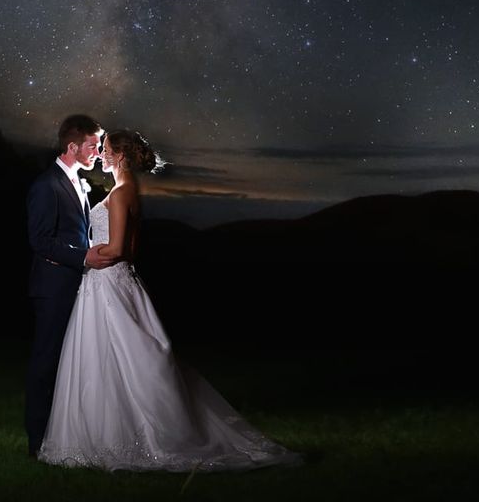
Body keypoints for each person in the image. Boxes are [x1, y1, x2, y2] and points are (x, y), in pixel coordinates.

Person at [38, 129, 303, 473]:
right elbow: (131, 251)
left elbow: (119, 250)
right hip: (115, 282)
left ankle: (122, 438)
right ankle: (112, 434)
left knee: (113, 358)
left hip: (107, 283)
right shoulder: (131, 192)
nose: (100, 154)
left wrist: (86, 254)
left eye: (105, 149)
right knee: (116, 359)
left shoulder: (120, 194)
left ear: (120, 155)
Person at [24, 114, 115, 458]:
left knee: (71, 363)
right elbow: (40, 240)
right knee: (46, 363)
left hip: (77, 285)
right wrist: (84, 258)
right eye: (93, 144)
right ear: (72, 146)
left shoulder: (79, 181)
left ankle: (65, 435)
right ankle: (37, 443)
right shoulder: (46, 186)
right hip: (53, 288)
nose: (98, 150)